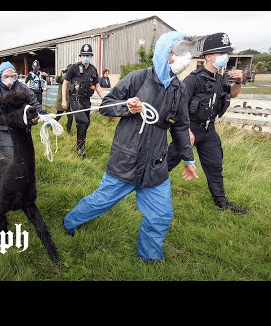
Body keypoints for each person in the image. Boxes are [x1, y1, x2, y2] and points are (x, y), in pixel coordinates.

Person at [63, 31, 199, 262]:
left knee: (161, 216)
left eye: (188, 54)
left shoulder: (179, 89)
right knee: (100, 202)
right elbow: (106, 106)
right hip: (126, 160)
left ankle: (150, 259)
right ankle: (70, 222)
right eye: (180, 53)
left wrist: (189, 159)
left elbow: (181, 125)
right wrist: (128, 106)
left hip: (155, 164)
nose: (185, 59)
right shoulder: (137, 78)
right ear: (165, 54)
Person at [167, 32, 248, 214]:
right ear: (208, 56)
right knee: (169, 160)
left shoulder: (220, 78)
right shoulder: (193, 79)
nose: (224, 57)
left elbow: (232, 93)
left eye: (226, 53)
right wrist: (186, 130)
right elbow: (179, 107)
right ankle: (147, 184)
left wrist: (239, 81)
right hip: (190, 128)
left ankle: (222, 203)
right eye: (220, 53)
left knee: (215, 166)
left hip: (209, 130)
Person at [0, 61, 46, 159]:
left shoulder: (21, 87)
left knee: (24, 154)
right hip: (1, 129)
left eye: (13, 76)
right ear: (0, 77)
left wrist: (44, 115)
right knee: (11, 157)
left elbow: (33, 101)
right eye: (6, 76)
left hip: (18, 127)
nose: (10, 79)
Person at [61, 44, 105, 157]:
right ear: (80, 56)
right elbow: (65, 83)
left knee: (85, 124)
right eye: (84, 55)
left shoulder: (93, 70)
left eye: (88, 55)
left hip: (86, 100)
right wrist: (64, 100)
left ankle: (80, 145)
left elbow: (98, 85)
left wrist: (104, 99)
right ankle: (80, 149)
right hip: (75, 99)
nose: (86, 57)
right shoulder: (74, 68)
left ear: (91, 56)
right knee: (83, 121)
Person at [54, 64, 74, 134]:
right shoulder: (64, 77)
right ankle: (52, 126)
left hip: (69, 102)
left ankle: (68, 130)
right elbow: (57, 79)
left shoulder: (73, 79)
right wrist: (60, 73)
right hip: (62, 101)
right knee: (58, 116)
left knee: (70, 117)